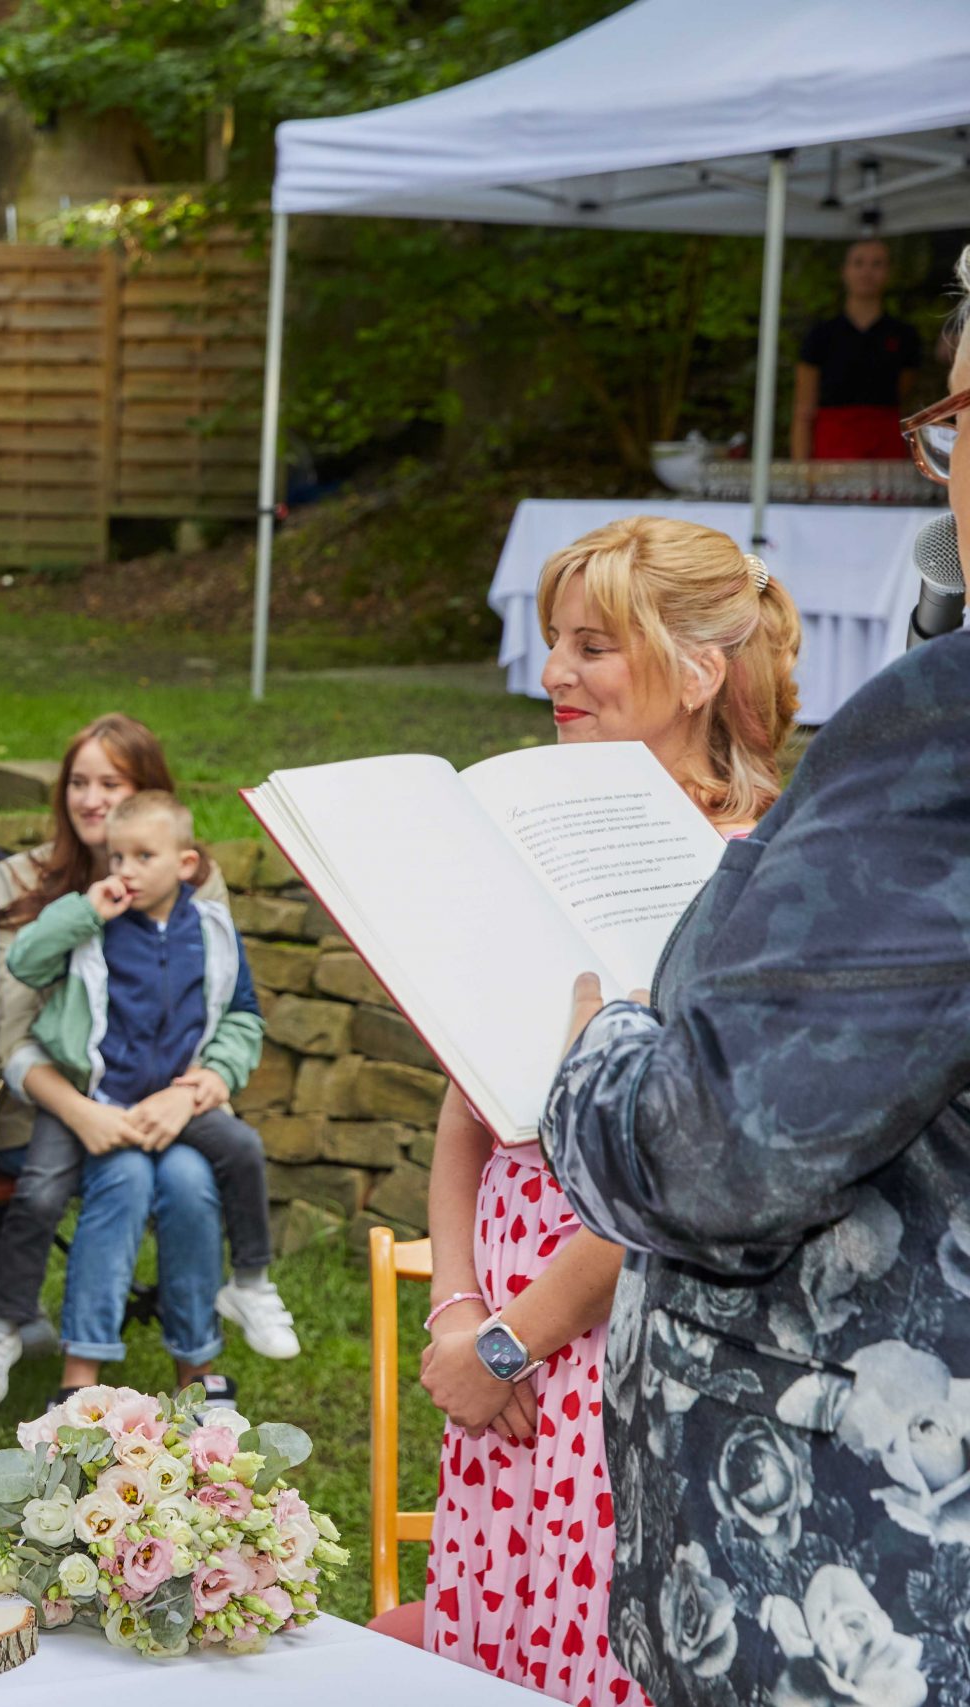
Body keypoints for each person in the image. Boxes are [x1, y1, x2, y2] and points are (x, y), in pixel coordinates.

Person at [536, 458, 966, 1706]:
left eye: (949, 427)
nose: (940, 476)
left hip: (861, 1572)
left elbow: (720, 1150)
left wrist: (602, 1049)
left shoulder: (942, 730)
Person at [395, 513, 805, 1703]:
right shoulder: (528, 847)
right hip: (500, 1349)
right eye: (552, 643)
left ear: (697, 671)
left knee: (600, 1645)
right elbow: (466, 1104)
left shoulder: (754, 873)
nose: (552, 674)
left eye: (591, 646)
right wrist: (458, 1314)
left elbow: (690, 1164)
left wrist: (516, 1336)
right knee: (497, 1643)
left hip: (634, 1330)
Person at [0, 713, 245, 1409]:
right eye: (78, 783)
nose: (91, 800)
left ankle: (198, 1375)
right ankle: (24, 1338)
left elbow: (226, 1009)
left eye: (111, 784)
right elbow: (10, 1031)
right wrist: (83, 1111)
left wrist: (195, 1090)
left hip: (163, 1106)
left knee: (187, 1179)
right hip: (45, 1108)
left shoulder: (195, 883)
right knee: (114, 1175)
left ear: (147, 793)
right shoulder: (22, 878)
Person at [792, 237, 921, 462]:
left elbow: (905, 399)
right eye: (859, 263)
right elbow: (804, 410)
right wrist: (800, 469)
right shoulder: (821, 335)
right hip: (833, 447)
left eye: (876, 264)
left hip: (886, 448)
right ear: (844, 271)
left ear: (889, 272)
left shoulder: (905, 335)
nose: (867, 272)